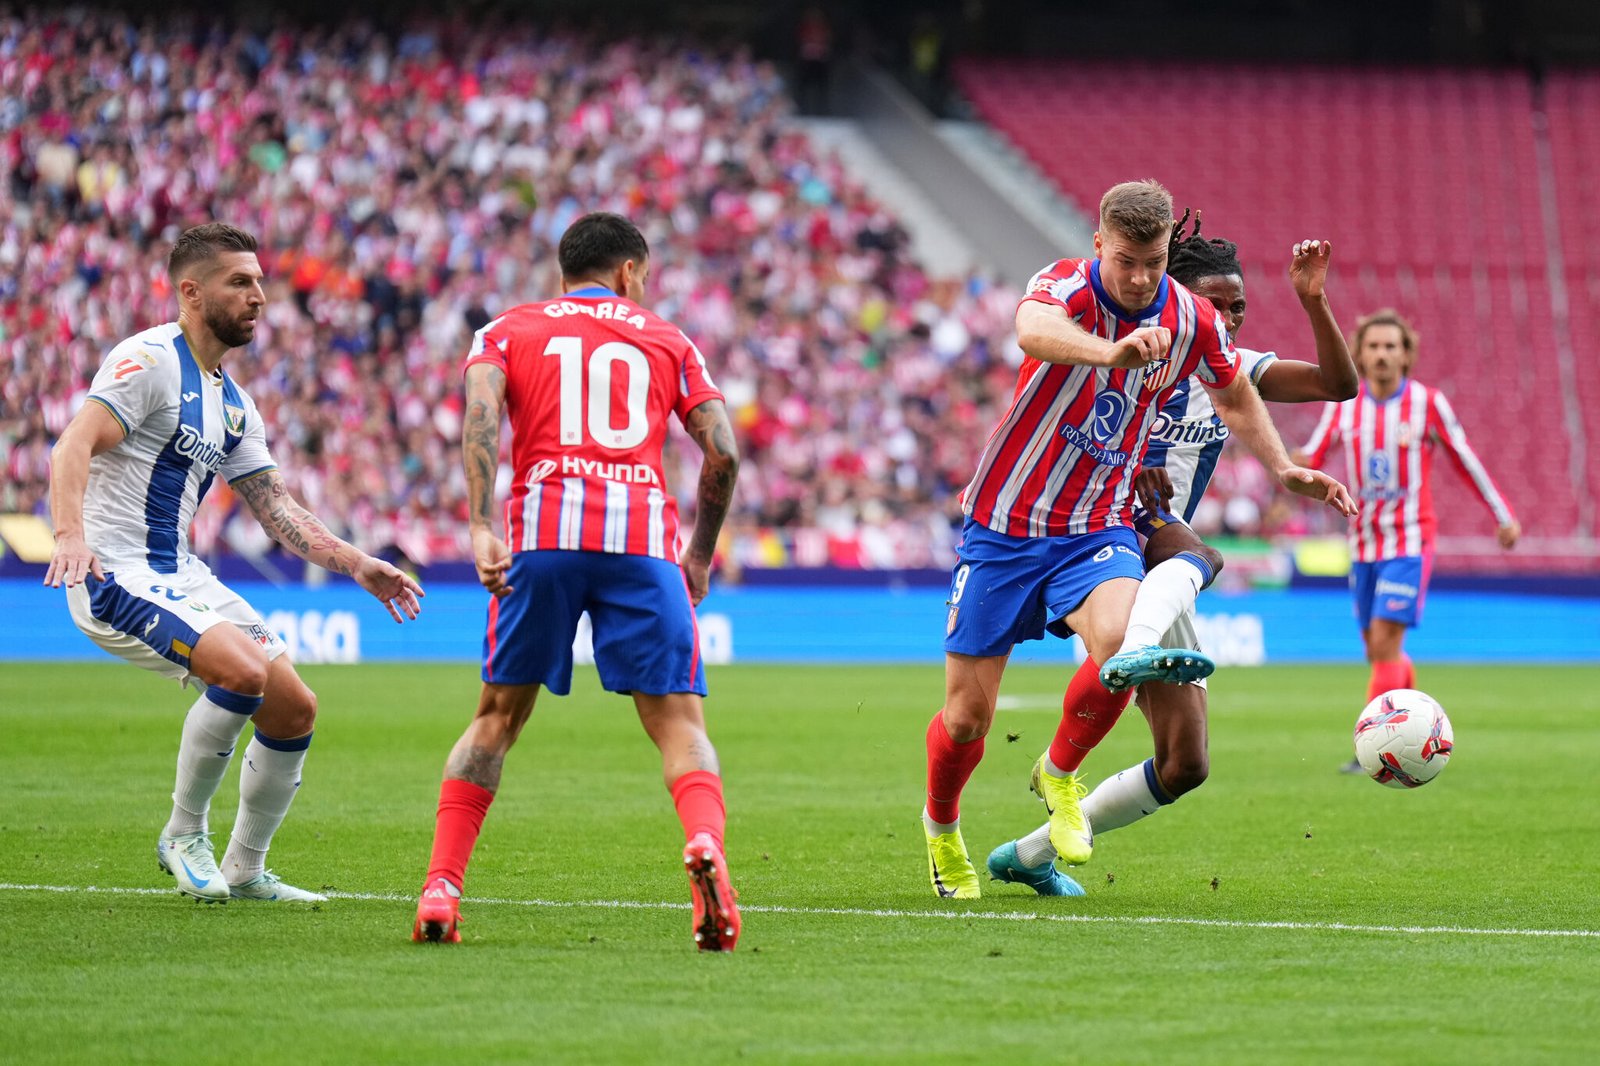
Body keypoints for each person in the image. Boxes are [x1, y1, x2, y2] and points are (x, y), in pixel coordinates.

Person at [922, 181, 1354, 899]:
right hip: (1005, 522)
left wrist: (1282, 467)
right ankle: (942, 829)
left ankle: (1057, 777)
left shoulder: (1192, 320)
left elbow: (1237, 388)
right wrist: (1111, 352)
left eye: (1152, 262)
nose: (1140, 277)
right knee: (969, 718)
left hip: (1098, 522)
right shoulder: (1065, 282)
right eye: (1127, 260)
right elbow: (1031, 331)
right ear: (1099, 246)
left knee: (1130, 650)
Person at [45, 222, 425, 904]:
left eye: (259, 282)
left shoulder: (235, 403)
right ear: (190, 292)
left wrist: (358, 563)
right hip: (114, 570)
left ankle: (247, 867)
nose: (259, 296)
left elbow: (277, 508)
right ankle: (184, 833)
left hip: (180, 573)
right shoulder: (149, 360)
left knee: (293, 707)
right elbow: (74, 442)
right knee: (243, 673)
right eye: (240, 283)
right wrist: (69, 535)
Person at [411, 212, 743, 950]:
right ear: (628, 272)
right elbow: (723, 454)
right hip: (641, 548)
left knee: (496, 718)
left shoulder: (504, 331)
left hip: (543, 539)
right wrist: (698, 555)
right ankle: (707, 849)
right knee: (679, 725)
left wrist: (478, 524)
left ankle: (441, 888)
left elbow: (481, 418)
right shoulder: (668, 338)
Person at [1296, 310, 1519, 773]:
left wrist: (1502, 515)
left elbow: (1465, 459)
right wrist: (1286, 461)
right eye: (1373, 346)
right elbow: (1310, 458)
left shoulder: (1427, 403)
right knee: (1378, 647)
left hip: (1409, 542)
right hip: (1361, 544)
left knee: (1383, 642)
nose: (1381, 354)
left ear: (1405, 355)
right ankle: (1420, 722)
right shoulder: (1343, 405)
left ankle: (1377, 749)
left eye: (1390, 346)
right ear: (1358, 353)